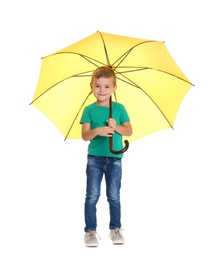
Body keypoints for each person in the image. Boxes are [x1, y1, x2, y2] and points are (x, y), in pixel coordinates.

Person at [80, 66, 132, 247]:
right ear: (91, 86)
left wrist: (115, 126)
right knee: (92, 196)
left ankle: (115, 228)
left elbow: (129, 131)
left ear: (114, 88)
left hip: (115, 159)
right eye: (97, 86)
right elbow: (85, 135)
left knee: (113, 196)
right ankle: (90, 231)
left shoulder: (119, 108)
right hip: (94, 159)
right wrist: (98, 130)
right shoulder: (89, 110)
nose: (101, 90)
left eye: (106, 86)